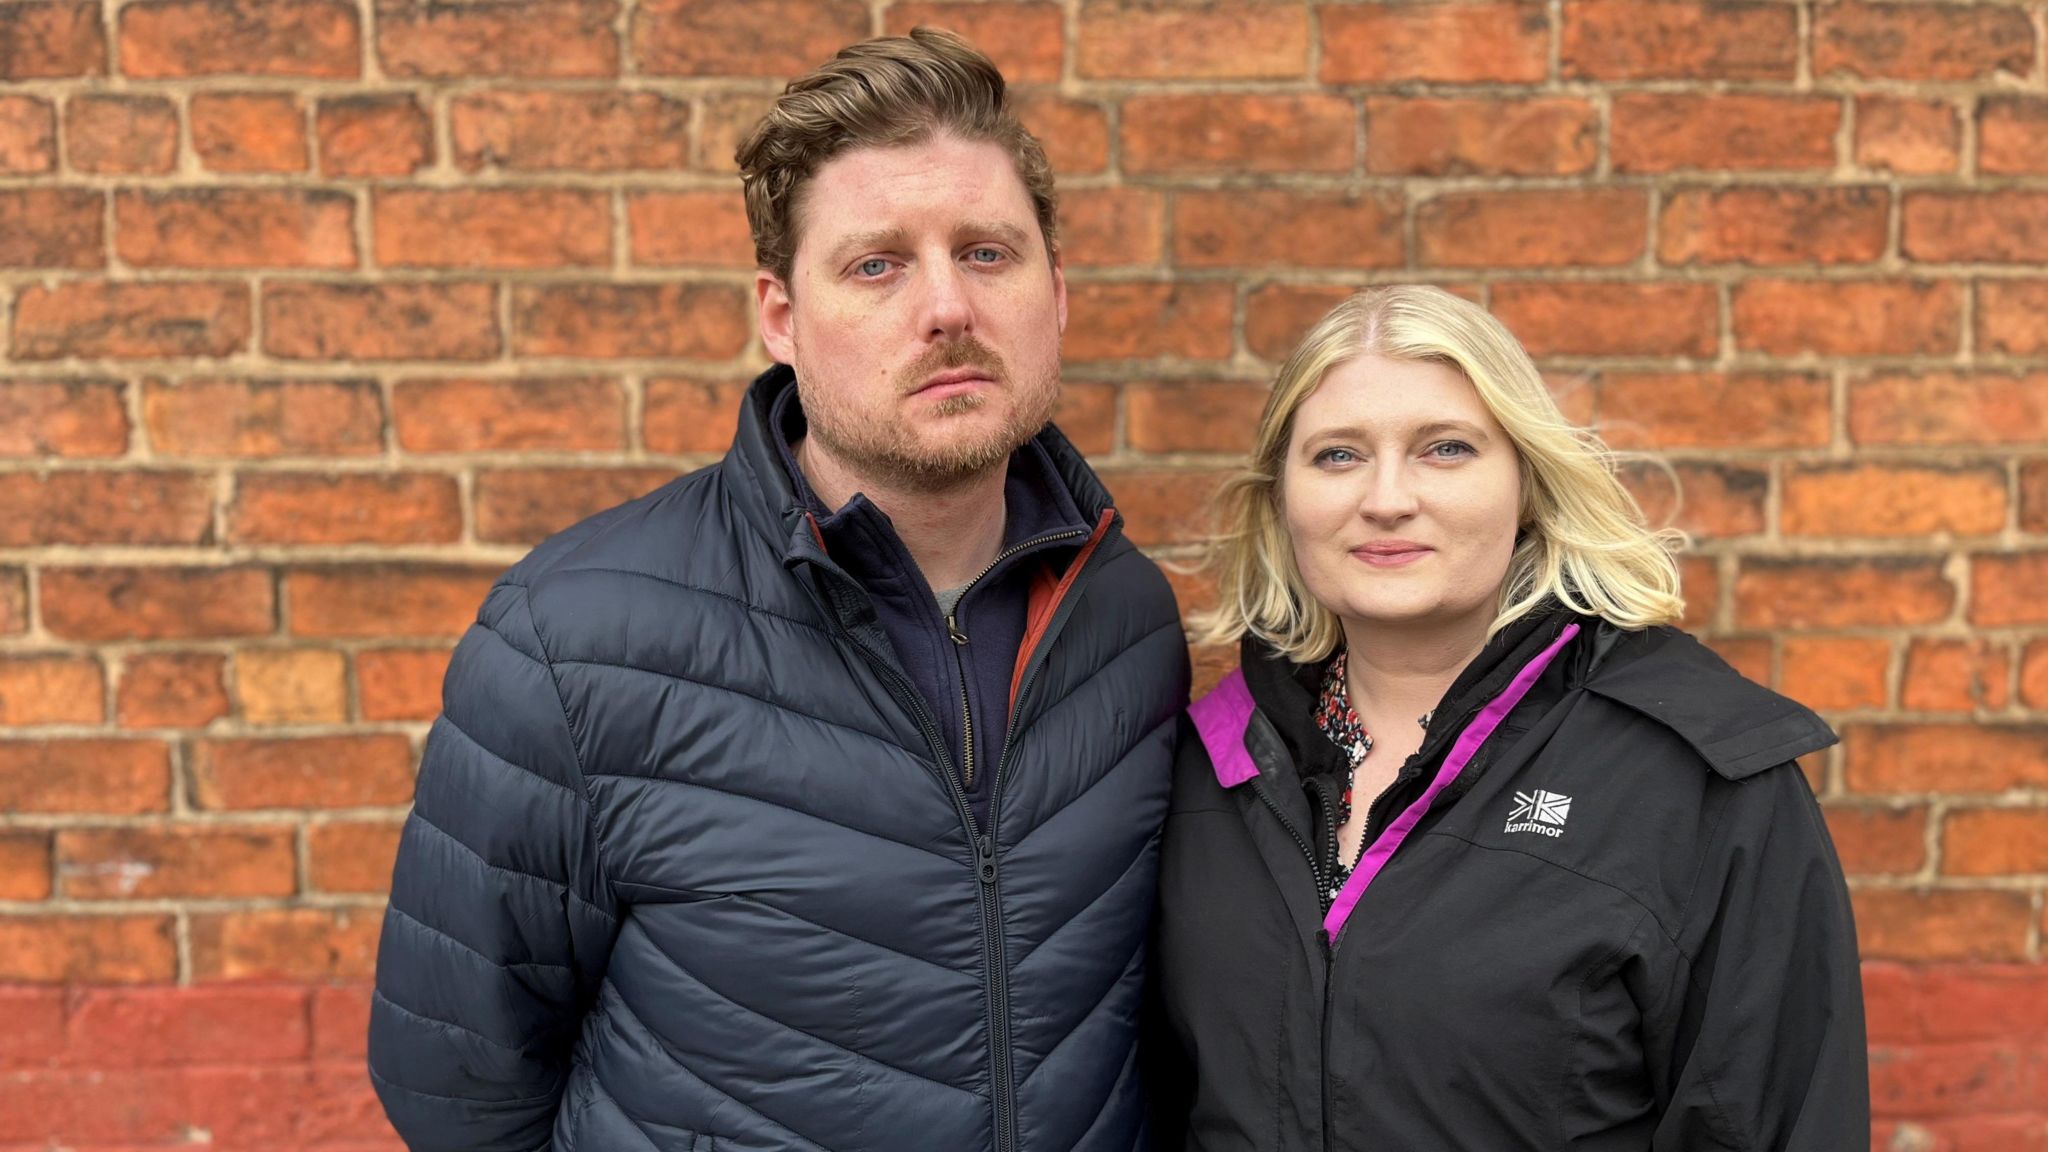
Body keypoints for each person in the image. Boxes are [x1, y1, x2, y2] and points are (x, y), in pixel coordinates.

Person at [368, 28, 1189, 1152]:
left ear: (1057, 293)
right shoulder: (572, 642)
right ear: (780, 317)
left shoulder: (1123, 617)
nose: (946, 306)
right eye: (877, 264)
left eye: (987, 253)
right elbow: (454, 1080)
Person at [1146, 286, 1867, 1150]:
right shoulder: (1198, 767)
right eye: (1337, 455)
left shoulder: (1696, 782)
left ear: (1526, 483)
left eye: (1446, 449)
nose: (1386, 498)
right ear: (1282, 501)